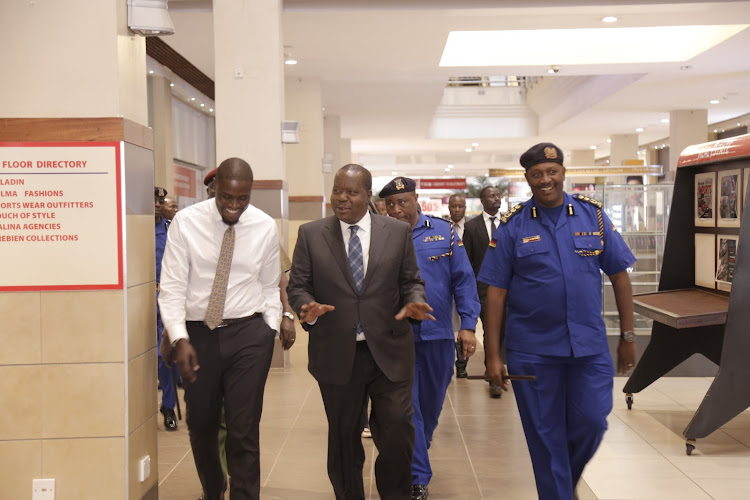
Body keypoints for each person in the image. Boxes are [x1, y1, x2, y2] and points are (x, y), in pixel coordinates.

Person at [479, 143, 638, 500]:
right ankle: (560, 492)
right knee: (546, 438)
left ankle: (561, 484)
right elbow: (496, 293)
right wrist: (493, 355)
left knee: (592, 422)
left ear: (564, 173)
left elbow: (620, 275)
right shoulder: (512, 227)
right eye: (537, 174)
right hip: (533, 350)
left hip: (588, 347)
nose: (545, 180)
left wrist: (627, 335)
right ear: (527, 179)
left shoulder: (592, 217)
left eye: (552, 171)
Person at [287, 164, 434, 500]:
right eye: (337, 190)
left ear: (368, 196)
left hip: (390, 350)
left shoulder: (396, 233)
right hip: (338, 354)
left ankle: (395, 493)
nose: (341, 198)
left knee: (397, 431)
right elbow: (298, 285)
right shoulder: (312, 234)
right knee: (344, 438)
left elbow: (411, 281)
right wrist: (306, 306)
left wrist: (414, 301)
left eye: (351, 192)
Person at [159, 158, 281, 500]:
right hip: (198, 334)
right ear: (215, 189)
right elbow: (171, 288)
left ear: (250, 194)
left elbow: (270, 285)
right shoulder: (186, 222)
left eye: (241, 198)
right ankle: (213, 488)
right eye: (226, 197)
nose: (233, 205)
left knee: (244, 429)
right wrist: (179, 336)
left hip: (248, 335)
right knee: (201, 425)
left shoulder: (264, 226)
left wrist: (269, 329)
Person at [381, 178, 479, 500]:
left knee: (432, 403)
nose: (397, 210)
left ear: (416, 200)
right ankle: (418, 478)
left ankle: (419, 445)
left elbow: (463, 280)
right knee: (408, 408)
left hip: (437, 333)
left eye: (403, 202)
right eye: (391, 204)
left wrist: (467, 324)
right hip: (397, 334)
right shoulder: (380, 236)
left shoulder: (444, 232)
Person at [462, 185, 504, 398]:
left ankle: (502, 367)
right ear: (482, 200)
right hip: (484, 290)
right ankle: (493, 376)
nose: (497, 198)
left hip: (509, 289)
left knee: (506, 331)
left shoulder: (510, 222)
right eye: (492, 195)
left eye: (498, 195)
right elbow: (467, 262)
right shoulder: (472, 227)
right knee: (490, 330)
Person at [155, 186, 179, 431]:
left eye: (160, 200)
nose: (157, 204)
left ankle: (168, 405)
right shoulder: (133, 229)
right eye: (154, 199)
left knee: (165, 355)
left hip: (164, 297)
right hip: (135, 298)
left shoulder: (170, 230)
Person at [447, 193, 469, 378]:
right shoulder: (443, 228)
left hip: (467, 284)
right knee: (451, 324)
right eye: (453, 206)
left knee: (464, 323)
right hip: (447, 286)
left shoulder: (474, 228)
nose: (456, 210)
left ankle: (462, 364)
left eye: (460, 206)